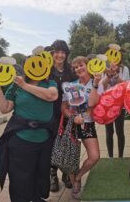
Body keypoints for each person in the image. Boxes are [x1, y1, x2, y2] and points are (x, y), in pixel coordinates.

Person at [0, 56, 58, 202]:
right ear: (25, 68)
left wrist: (24, 85)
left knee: (40, 174)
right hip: (21, 140)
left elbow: (51, 96)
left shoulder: (50, 83)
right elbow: (5, 108)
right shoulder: (15, 86)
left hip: (44, 140)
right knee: (20, 177)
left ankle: (37, 198)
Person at [61, 56, 101, 199]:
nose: (78, 69)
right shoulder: (71, 85)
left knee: (95, 156)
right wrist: (73, 117)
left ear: (88, 65)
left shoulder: (96, 82)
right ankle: (74, 183)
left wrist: (95, 85)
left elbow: (92, 103)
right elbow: (64, 108)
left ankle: (78, 176)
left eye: (81, 65)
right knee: (71, 159)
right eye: (76, 67)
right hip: (72, 125)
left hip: (88, 124)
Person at [47, 40, 76, 192]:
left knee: (67, 142)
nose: (60, 55)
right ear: (52, 53)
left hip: (67, 113)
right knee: (51, 144)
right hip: (49, 113)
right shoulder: (46, 70)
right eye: (57, 52)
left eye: (63, 52)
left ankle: (66, 174)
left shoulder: (70, 71)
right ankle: (52, 175)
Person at [100, 59, 130, 157]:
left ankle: (120, 156)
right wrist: (108, 75)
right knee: (109, 131)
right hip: (107, 104)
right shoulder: (103, 68)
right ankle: (110, 156)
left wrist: (116, 75)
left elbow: (126, 85)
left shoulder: (124, 69)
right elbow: (101, 87)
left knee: (119, 130)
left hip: (119, 103)